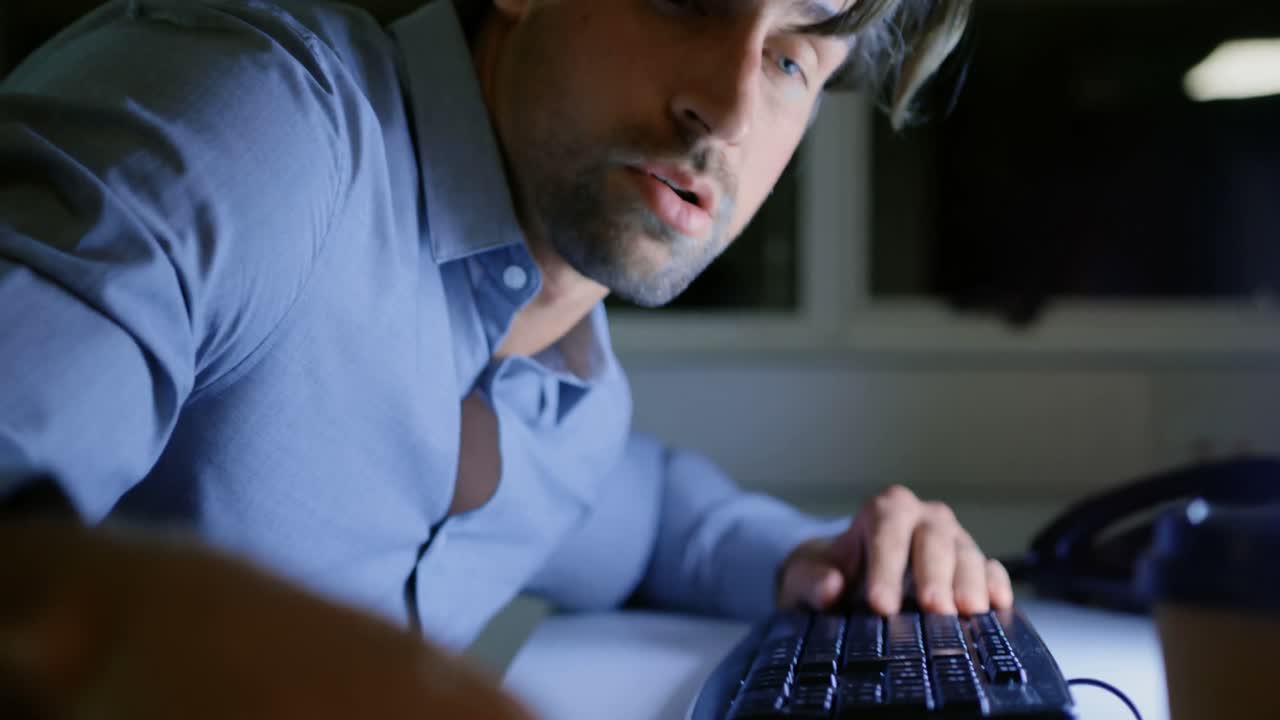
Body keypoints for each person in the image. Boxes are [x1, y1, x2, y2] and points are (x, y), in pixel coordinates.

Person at [0, 0, 1006, 716]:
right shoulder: (253, 126)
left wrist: (824, 559)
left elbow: (654, 513)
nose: (731, 111)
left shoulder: (569, 406)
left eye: (789, 60)